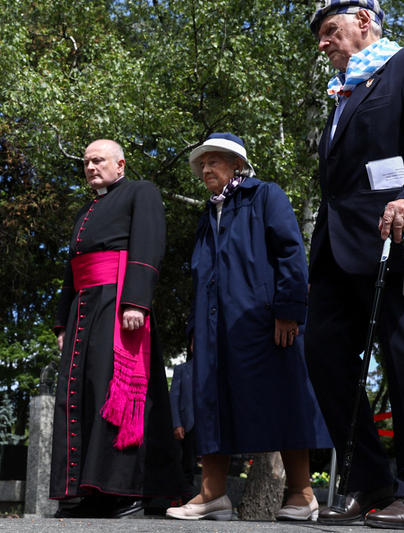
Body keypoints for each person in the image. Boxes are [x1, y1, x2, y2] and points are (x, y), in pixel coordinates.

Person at [305, 0, 404, 529]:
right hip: (338, 249)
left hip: (400, 235)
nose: (323, 43)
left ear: (364, 21)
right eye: (321, 37)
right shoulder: (345, 93)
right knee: (323, 351)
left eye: (331, 31)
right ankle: (370, 480)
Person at [166, 133, 332, 521]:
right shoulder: (208, 215)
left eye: (215, 162)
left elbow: (291, 250)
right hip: (214, 329)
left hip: (266, 322)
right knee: (213, 402)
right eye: (202, 164)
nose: (206, 169)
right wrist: (194, 330)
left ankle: (302, 493)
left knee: (283, 397)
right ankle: (212, 495)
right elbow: (199, 275)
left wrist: (289, 310)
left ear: (237, 164)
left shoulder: (264, 195)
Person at [50, 139, 188, 518]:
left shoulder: (140, 192)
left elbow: (149, 243)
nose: (91, 167)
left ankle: (125, 490)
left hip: (117, 303)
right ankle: (91, 490)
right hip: (84, 308)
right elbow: (72, 270)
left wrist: (136, 301)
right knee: (84, 394)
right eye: (86, 162)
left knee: (114, 391)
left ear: (120, 165)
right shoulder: (86, 209)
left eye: (99, 160)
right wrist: (63, 321)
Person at [169, 358, 196, 495]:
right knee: (187, 464)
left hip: (208, 424)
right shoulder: (181, 369)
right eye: (193, 342)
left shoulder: (213, 367)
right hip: (188, 425)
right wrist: (177, 424)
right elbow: (174, 398)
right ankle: (186, 498)